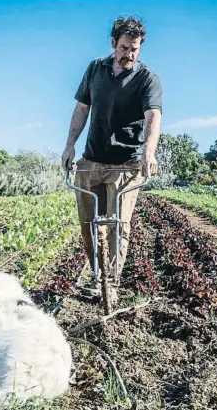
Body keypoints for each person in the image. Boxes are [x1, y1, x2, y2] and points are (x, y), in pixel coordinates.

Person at [62, 15, 162, 303]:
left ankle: (112, 283)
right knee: (89, 223)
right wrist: (70, 146)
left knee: (119, 224)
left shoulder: (147, 78)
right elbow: (82, 108)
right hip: (91, 160)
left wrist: (149, 152)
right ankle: (97, 277)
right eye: (124, 48)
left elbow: (153, 115)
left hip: (126, 165)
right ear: (113, 44)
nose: (129, 54)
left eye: (134, 49)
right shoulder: (95, 68)